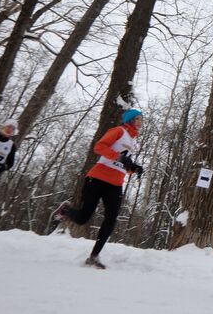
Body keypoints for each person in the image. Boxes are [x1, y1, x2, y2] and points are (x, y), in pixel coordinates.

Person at [48, 109, 144, 270]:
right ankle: (65, 210)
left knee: (111, 220)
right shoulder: (118, 131)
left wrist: (133, 168)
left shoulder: (134, 141)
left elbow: (123, 164)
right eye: (138, 118)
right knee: (83, 218)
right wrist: (119, 157)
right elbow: (99, 147)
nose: (140, 122)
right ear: (129, 119)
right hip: (97, 178)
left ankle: (94, 256)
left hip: (115, 184)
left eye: (141, 119)